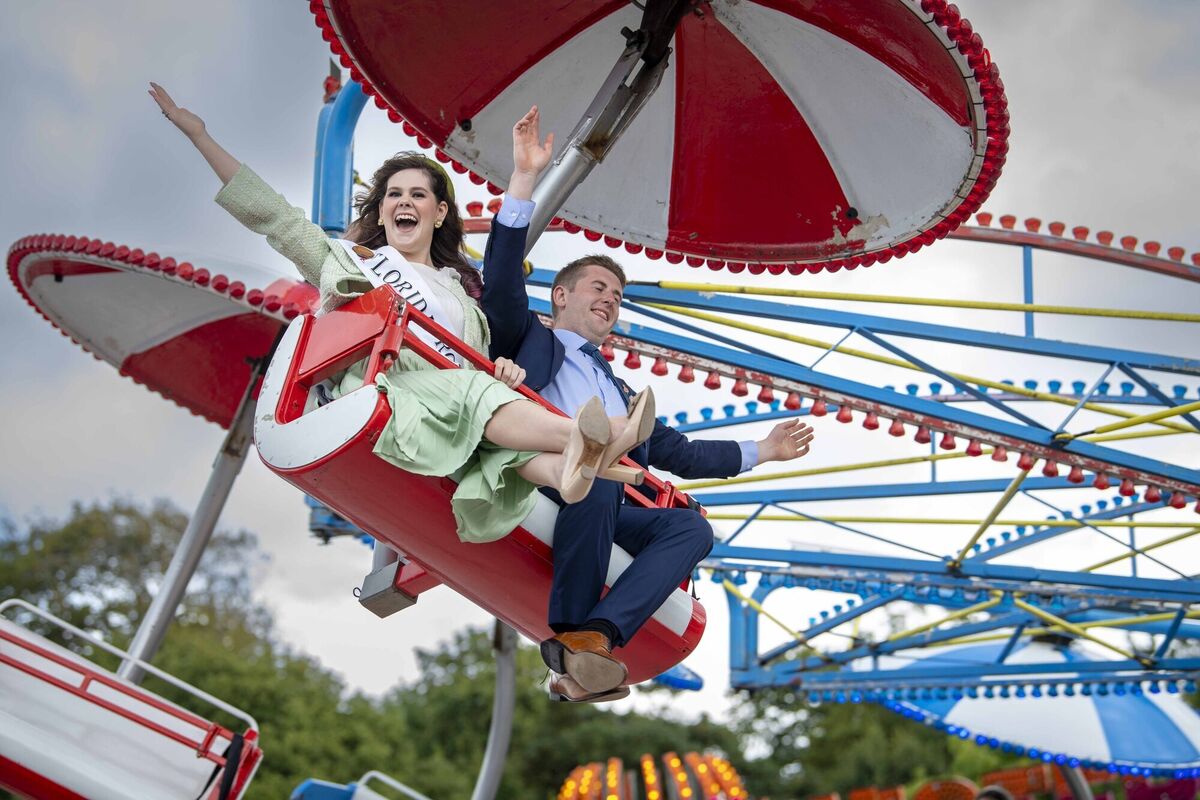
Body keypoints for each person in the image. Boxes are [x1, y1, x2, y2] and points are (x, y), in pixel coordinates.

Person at [148, 83, 657, 546]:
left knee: (499, 415)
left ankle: (567, 472)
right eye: (394, 195)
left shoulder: (461, 297)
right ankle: (599, 438)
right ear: (383, 211)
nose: (403, 202)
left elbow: (474, 365)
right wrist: (201, 137)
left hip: (460, 413)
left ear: (438, 215)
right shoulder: (353, 262)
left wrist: (499, 368)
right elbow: (273, 217)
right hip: (392, 388)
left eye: (418, 195)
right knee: (476, 394)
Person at [482, 107, 817, 703]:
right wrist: (524, 180)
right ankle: (566, 632)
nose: (610, 300)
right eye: (598, 288)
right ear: (560, 296)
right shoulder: (528, 338)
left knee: (688, 527)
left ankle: (595, 640)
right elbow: (502, 278)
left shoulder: (621, 390)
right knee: (600, 470)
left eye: (617, 296)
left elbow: (677, 452)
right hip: (542, 474)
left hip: (598, 493)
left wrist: (761, 451)